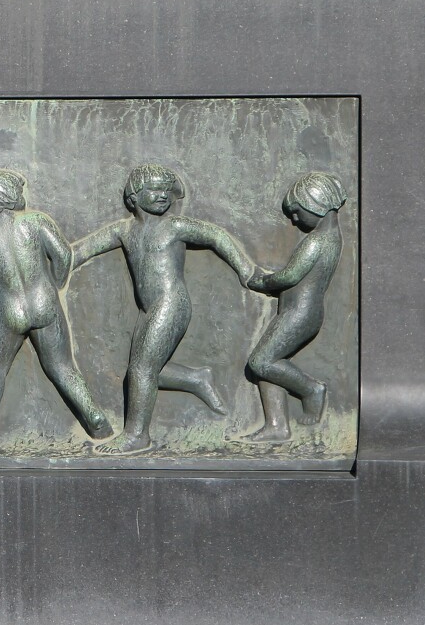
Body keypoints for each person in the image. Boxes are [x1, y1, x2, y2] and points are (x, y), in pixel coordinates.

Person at [71, 164, 256, 454]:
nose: (162, 196)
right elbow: (81, 250)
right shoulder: (124, 230)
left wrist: (247, 270)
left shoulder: (175, 227)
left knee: (141, 369)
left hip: (171, 303)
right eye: (154, 190)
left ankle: (136, 435)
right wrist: (51, 262)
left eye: (166, 191)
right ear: (134, 196)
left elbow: (217, 236)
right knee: (145, 370)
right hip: (149, 308)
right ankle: (196, 378)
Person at [0, 169, 111, 442]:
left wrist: (6, 280)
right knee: (61, 366)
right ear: (11, 198)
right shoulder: (35, 221)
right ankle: (95, 418)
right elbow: (63, 255)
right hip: (44, 304)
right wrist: (55, 283)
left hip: (9, 310)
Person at [244, 172, 346, 441]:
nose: (294, 220)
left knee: (260, 361)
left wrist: (263, 281)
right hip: (298, 312)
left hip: (300, 314)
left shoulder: (315, 241)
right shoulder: (332, 237)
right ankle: (277, 426)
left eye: (298, 213)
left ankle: (311, 389)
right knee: (270, 360)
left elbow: (290, 276)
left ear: (316, 205)